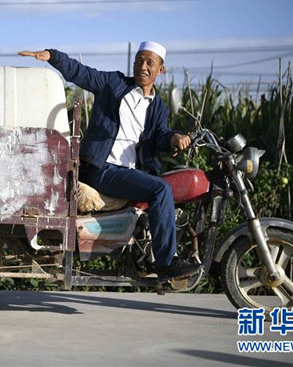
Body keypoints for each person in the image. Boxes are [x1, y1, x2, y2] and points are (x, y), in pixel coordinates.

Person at [18, 42, 202, 280]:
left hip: (132, 173)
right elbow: (82, 73)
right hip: (103, 168)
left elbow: (160, 136)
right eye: (139, 61)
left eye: (149, 63)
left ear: (160, 70)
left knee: (164, 184)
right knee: (160, 189)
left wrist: (174, 139)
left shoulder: (159, 107)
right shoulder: (113, 84)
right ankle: (166, 263)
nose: (142, 67)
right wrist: (53, 56)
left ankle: (147, 251)